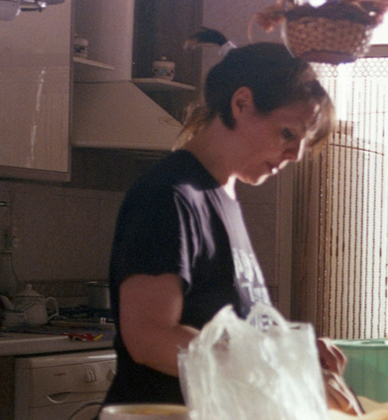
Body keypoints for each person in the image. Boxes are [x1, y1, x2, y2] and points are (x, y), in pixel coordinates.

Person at [103, 29, 359, 414]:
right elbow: (148, 338)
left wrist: (295, 353)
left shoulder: (224, 197)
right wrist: (279, 369)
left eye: (302, 143)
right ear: (242, 104)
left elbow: (227, 332)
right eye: (287, 133)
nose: (294, 155)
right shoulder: (170, 196)